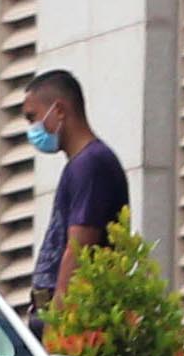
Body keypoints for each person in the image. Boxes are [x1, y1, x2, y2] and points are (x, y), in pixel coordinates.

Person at [20, 70, 128, 314]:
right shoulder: (79, 165)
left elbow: (79, 248)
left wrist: (59, 321)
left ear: (59, 110)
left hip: (71, 316)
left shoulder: (91, 164)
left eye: (33, 117)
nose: (31, 129)